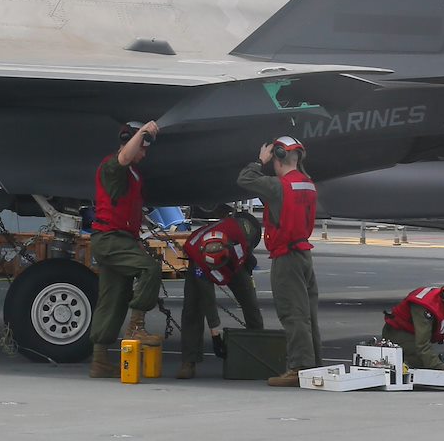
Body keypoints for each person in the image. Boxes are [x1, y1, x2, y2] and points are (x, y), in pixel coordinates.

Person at [237, 135, 320, 387]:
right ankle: (314, 365)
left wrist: (259, 161)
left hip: (287, 257)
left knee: (292, 313)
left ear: (279, 157)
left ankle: (299, 368)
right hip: (304, 254)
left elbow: (244, 179)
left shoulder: (279, 186)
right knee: (308, 314)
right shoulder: (308, 184)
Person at [87, 120, 165, 378]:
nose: (144, 154)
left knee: (114, 298)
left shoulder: (133, 173)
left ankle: (99, 360)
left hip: (120, 238)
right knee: (149, 268)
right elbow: (123, 157)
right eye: (143, 148)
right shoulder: (113, 166)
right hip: (110, 239)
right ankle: (136, 327)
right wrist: (142, 133)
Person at [175, 207, 265, 380]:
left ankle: (258, 351)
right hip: (202, 260)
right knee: (192, 308)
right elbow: (208, 300)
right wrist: (215, 336)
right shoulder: (197, 258)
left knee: (250, 302)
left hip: (233, 258)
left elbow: (246, 256)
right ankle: (189, 360)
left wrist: (247, 268)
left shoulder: (240, 240)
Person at [378, 280, 444, 370]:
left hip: (425, 331)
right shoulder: (425, 307)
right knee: (422, 363)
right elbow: (422, 345)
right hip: (401, 332)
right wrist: (441, 368)